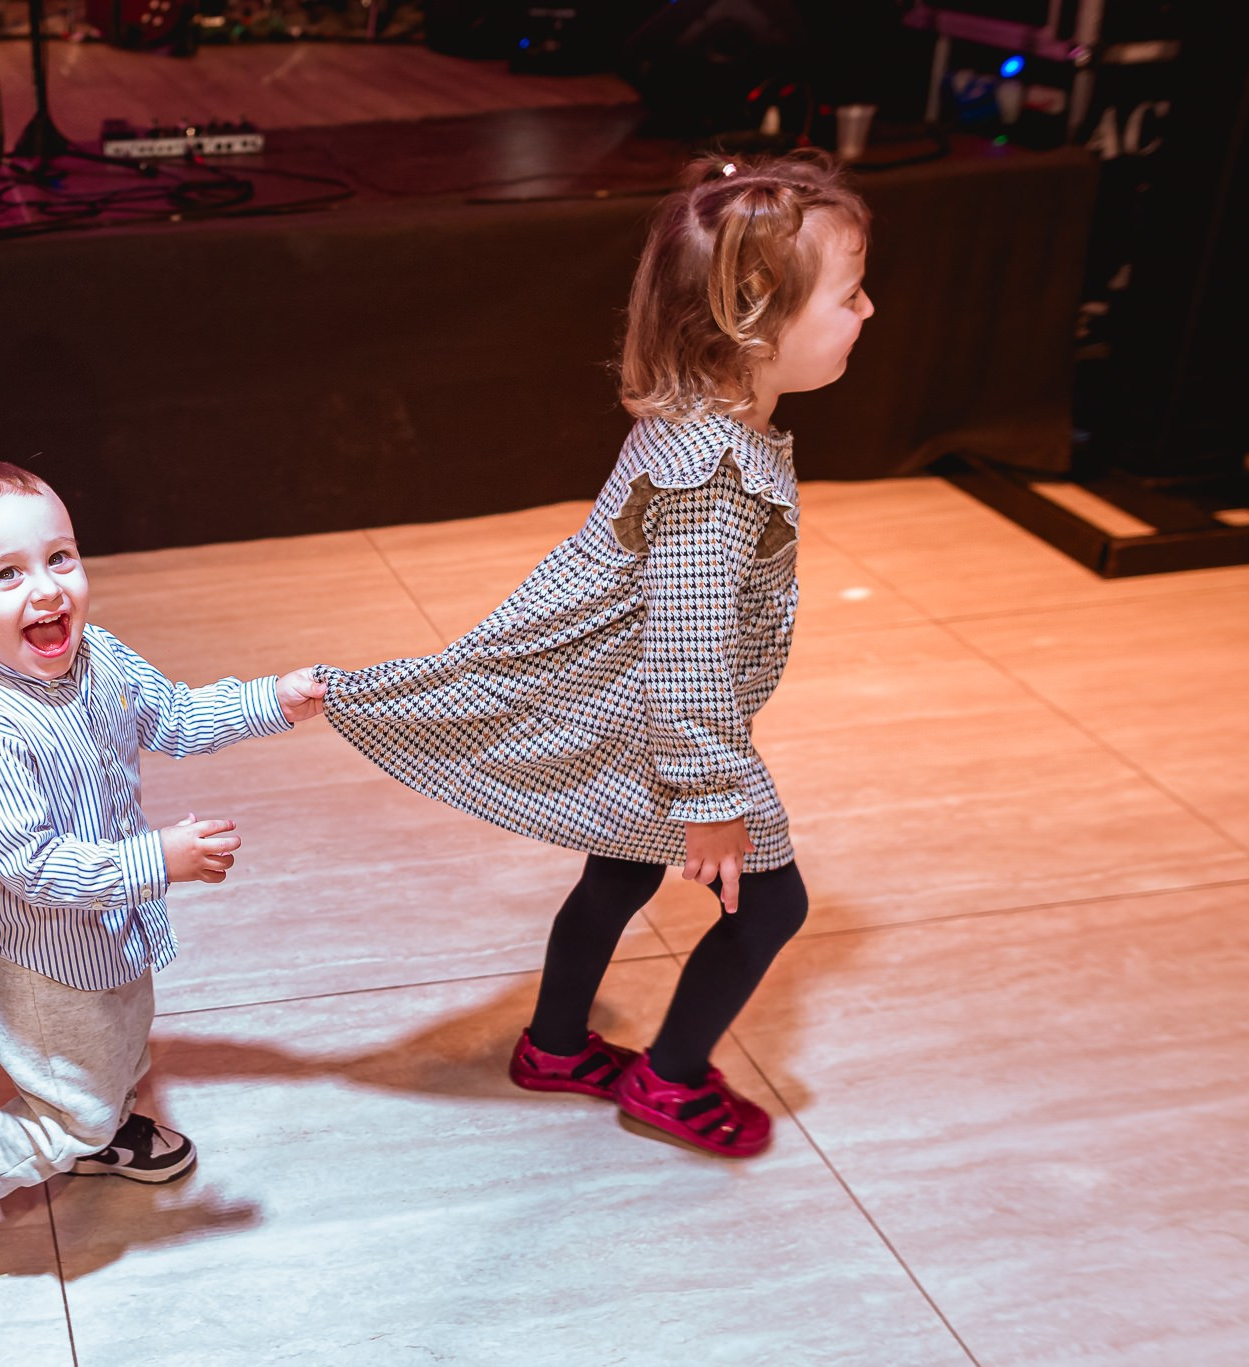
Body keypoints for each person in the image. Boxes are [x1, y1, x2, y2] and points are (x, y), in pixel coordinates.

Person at [318, 151, 873, 1158]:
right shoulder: (712, 482)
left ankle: (556, 1045)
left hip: (635, 723)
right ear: (752, 316)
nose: (867, 310)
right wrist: (709, 792)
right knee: (772, 901)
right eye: (848, 293)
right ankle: (667, 1079)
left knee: (615, 876)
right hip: (672, 731)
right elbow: (686, 653)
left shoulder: (690, 427)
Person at [0, 461, 325, 1276]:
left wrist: (274, 699)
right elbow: (33, 867)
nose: (48, 590)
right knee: (74, 1099)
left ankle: (107, 1122)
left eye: (61, 557)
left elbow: (181, 713)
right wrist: (158, 859)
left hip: (109, 930)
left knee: (124, 1041)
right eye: (8, 574)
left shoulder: (100, 658)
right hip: (41, 958)